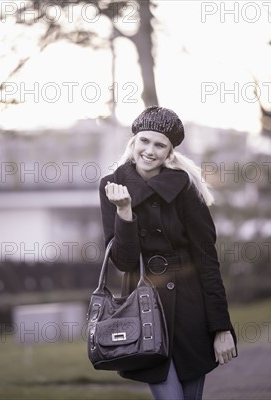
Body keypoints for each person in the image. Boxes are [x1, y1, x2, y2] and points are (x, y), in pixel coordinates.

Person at [99, 106, 237, 400]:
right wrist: (124, 211)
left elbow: (207, 260)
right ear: (133, 142)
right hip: (145, 307)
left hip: (191, 309)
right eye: (144, 141)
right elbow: (123, 262)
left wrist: (221, 328)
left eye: (160, 144)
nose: (150, 151)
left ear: (170, 152)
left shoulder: (185, 187)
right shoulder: (111, 187)